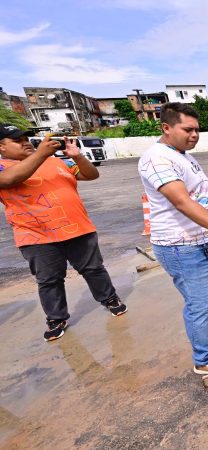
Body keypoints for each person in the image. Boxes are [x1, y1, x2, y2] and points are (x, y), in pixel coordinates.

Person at [138, 103, 208, 375]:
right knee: (198, 305)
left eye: (197, 130)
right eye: (188, 129)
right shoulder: (157, 158)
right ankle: (205, 359)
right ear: (166, 128)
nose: (194, 135)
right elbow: (181, 201)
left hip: (201, 240)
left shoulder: (182, 155)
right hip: (181, 246)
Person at [0, 125, 127, 342]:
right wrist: (41, 153)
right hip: (37, 237)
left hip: (79, 229)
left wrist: (78, 158)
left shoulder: (56, 161)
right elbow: (8, 181)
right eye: (16, 140)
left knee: (94, 269)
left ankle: (109, 299)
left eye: (26, 138)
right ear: (1, 147)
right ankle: (56, 318)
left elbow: (91, 174)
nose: (25, 142)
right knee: (49, 280)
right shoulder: (4, 167)